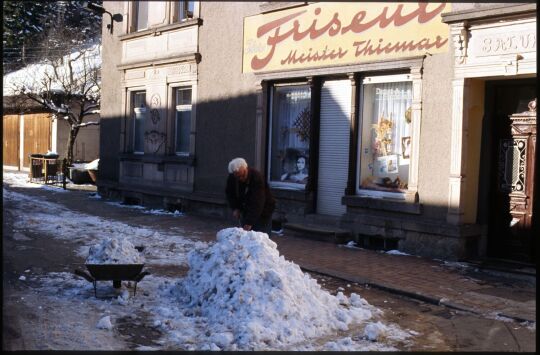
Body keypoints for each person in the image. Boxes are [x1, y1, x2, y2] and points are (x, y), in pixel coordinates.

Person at [225, 157, 276, 235]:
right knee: (246, 236)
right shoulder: (233, 177)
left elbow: (257, 202)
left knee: (260, 237)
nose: (241, 179)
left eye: (242, 175)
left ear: (246, 168)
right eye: (238, 177)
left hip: (263, 210)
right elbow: (230, 193)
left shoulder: (256, 178)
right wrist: (235, 207)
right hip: (246, 209)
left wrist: (249, 222)